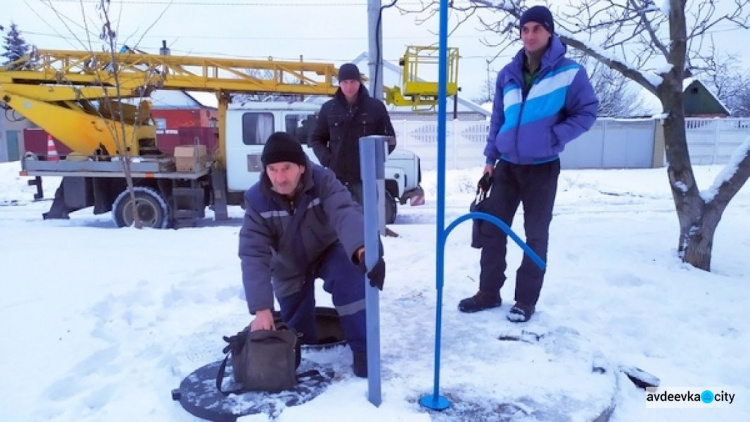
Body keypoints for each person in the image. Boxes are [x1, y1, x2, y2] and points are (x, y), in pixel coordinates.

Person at [459, 5, 599, 322]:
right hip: (506, 167)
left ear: (550, 32)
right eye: (525, 29)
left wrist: (555, 135)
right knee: (493, 229)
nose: (530, 35)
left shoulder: (569, 73)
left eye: (537, 28)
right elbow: (498, 119)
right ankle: (488, 293)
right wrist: (489, 160)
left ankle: (525, 300)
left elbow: (587, 112)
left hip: (543, 168)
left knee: (535, 236)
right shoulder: (508, 74)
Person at [238, 132, 386, 378]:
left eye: (286, 168)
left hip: (329, 249)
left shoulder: (324, 181)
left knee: (350, 279)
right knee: (299, 331)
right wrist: (261, 308)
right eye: (272, 170)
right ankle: (301, 345)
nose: (280, 177)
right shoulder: (256, 199)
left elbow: (345, 212)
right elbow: (253, 253)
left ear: (302, 167)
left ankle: (364, 351)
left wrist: (364, 250)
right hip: (288, 263)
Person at [309, 63, 396, 205]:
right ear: (339, 84)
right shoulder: (329, 109)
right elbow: (316, 139)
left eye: (353, 82)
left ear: (359, 82)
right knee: (339, 220)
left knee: (368, 222)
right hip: (337, 179)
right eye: (345, 82)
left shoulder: (375, 107)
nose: (349, 86)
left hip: (366, 180)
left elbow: (390, 140)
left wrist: (374, 160)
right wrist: (329, 160)